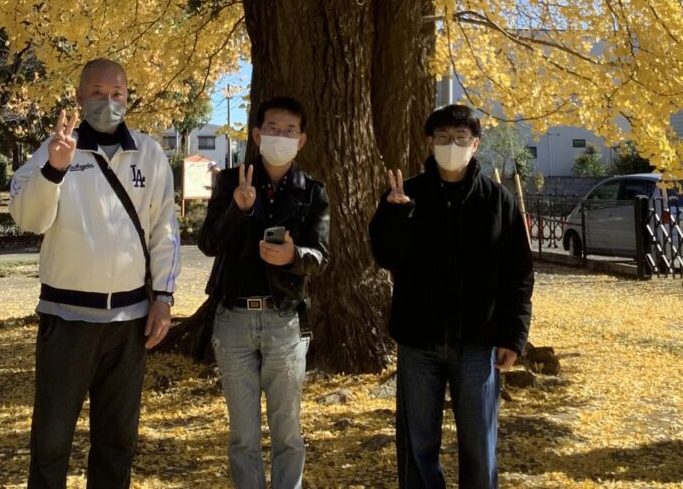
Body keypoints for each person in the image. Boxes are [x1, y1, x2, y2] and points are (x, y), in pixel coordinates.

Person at [9, 58, 180, 489]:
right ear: (80, 98)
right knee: (50, 442)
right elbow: (28, 217)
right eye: (98, 94)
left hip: (129, 322)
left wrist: (163, 297)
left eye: (117, 93)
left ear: (128, 97)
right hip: (67, 319)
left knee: (118, 440)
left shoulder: (150, 153)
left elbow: (164, 230)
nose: (109, 102)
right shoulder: (56, 148)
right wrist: (55, 169)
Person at [369, 103, 534, 489]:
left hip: (479, 343)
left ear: (475, 144)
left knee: (479, 446)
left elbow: (519, 272)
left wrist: (515, 336)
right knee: (417, 446)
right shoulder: (404, 194)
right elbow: (385, 256)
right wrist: (396, 216)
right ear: (429, 142)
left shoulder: (498, 201)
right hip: (418, 341)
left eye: (461, 138)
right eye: (443, 137)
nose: (452, 144)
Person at [198, 95, 330, 489]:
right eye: (272, 129)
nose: (280, 137)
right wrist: (237, 210)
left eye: (290, 131)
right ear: (257, 134)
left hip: (284, 320)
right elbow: (207, 243)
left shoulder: (312, 192)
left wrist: (294, 255)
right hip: (233, 320)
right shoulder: (230, 181)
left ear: (301, 140)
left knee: (288, 431)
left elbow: (321, 258)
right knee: (243, 436)